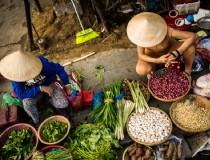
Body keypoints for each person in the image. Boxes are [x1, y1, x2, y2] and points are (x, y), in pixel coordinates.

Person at [0, 50, 76, 125]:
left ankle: (50, 101)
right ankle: (38, 121)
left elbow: (59, 69)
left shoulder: (42, 64)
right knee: (27, 104)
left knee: (63, 104)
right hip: (33, 90)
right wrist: (40, 88)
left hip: (49, 84)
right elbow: (21, 94)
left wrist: (67, 86)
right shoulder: (16, 76)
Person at [126, 12, 197, 79]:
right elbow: (141, 55)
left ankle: (187, 73)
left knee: (190, 48)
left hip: (170, 50)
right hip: (152, 55)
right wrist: (157, 60)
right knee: (141, 69)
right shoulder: (140, 37)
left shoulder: (167, 30)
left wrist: (177, 52)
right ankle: (152, 70)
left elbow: (193, 36)